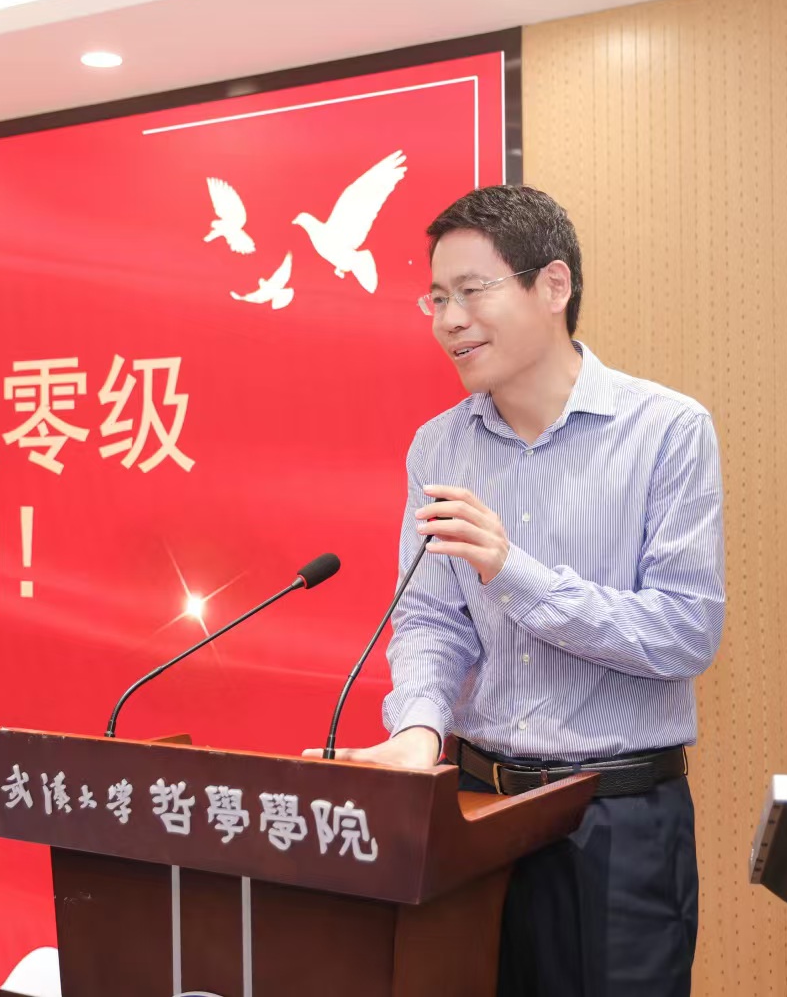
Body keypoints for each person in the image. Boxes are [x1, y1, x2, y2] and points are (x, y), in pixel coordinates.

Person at [311, 185, 725, 996]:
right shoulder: (439, 447)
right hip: (476, 815)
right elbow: (431, 621)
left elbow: (685, 632)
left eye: (472, 291)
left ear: (553, 286)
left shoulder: (667, 431)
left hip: (619, 824)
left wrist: (515, 572)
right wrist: (419, 732)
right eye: (436, 298)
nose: (449, 319)